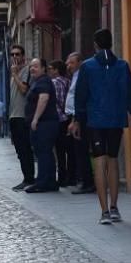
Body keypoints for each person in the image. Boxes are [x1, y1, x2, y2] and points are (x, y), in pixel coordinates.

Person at [74, 29, 131, 224]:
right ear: (111, 43)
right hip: (116, 120)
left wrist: (78, 120)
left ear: (95, 44)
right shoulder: (122, 66)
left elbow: (81, 96)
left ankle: (104, 212)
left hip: (95, 121)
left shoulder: (87, 67)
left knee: (99, 163)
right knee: (113, 161)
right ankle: (114, 207)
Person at [24, 58, 60, 193]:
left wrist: (35, 119)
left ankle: (42, 182)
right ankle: (50, 181)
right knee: (45, 152)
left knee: (43, 152)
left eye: (36, 66)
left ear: (43, 68)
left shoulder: (43, 81)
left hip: (44, 123)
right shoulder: (38, 81)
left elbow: (43, 98)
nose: (32, 69)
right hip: (46, 123)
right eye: (31, 67)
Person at [65, 52, 95, 195]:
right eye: (68, 62)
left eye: (71, 63)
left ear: (79, 63)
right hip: (76, 117)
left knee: (82, 150)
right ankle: (83, 180)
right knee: (78, 150)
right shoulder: (75, 76)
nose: (68, 65)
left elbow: (80, 98)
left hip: (81, 118)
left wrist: (75, 120)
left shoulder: (82, 75)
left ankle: (87, 182)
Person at [8, 44, 35, 190]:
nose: (14, 57)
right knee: (19, 150)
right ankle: (27, 177)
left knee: (25, 149)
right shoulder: (15, 73)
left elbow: (24, 89)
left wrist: (14, 74)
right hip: (14, 116)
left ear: (23, 56)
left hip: (22, 116)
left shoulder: (25, 71)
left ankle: (29, 178)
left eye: (17, 54)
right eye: (12, 55)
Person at [47, 59, 73, 187]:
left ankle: (62, 177)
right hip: (68, 119)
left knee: (60, 151)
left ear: (56, 70)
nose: (49, 71)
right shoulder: (68, 81)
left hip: (59, 119)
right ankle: (72, 176)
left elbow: (59, 100)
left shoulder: (55, 82)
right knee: (69, 150)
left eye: (50, 69)